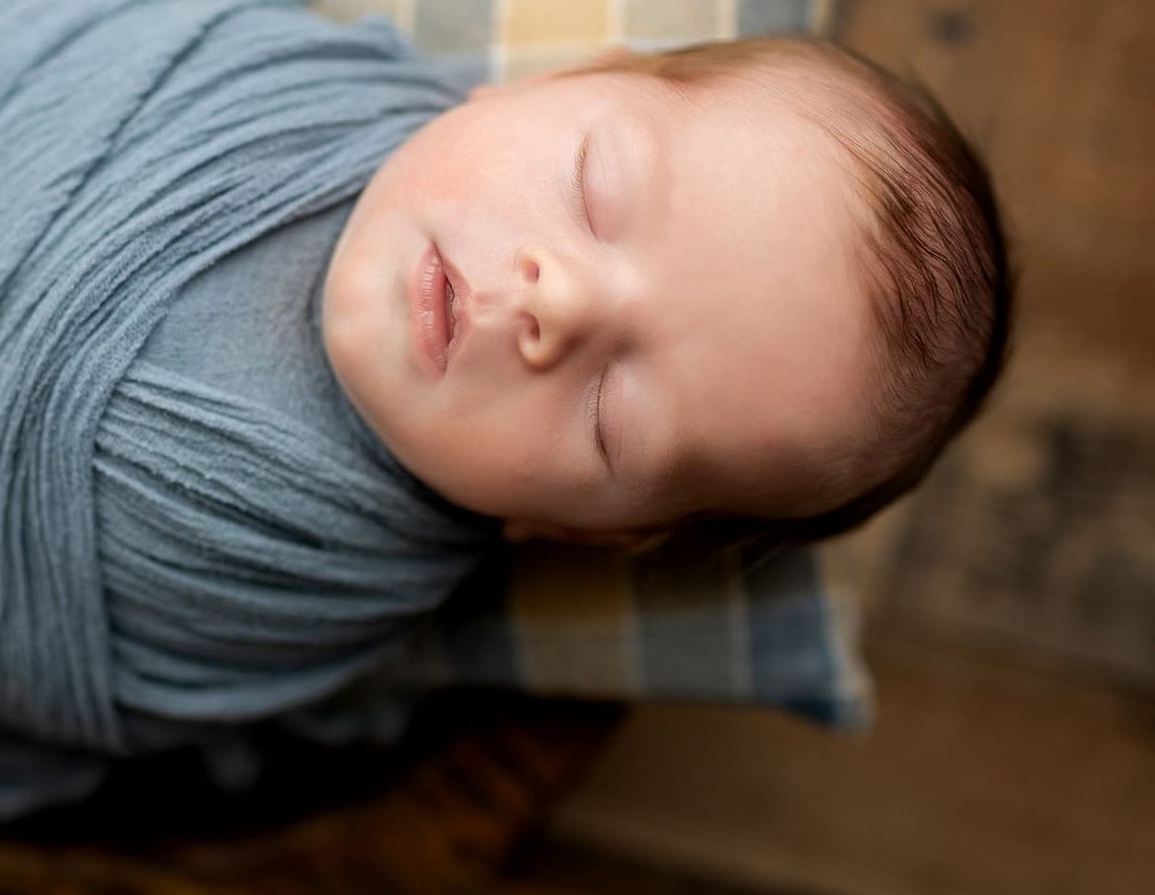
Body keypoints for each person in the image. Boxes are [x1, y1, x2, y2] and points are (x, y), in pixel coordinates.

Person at [321, 34, 1016, 563]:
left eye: (609, 417)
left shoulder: (327, 582)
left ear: (579, 530)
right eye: (593, 191)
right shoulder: (317, 70)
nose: (562, 304)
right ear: (561, 75)